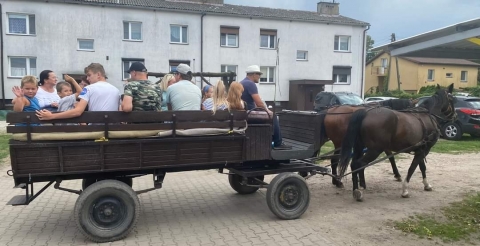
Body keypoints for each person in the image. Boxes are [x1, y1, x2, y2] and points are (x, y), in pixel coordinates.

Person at [36, 63, 120, 120]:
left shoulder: (88, 89)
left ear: (98, 74)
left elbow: (77, 112)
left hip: (95, 128)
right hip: (113, 128)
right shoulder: (116, 90)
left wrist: (52, 116)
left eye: (89, 75)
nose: (87, 78)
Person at [240, 65, 291, 150]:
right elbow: (259, 103)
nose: (260, 76)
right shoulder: (250, 84)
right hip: (249, 113)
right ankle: (278, 142)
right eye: (259, 74)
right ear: (254, 74)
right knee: (273, 116)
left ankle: (270, 140)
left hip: (244, 112)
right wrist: (267, 110)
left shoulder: (242, 82)